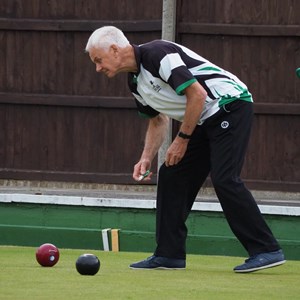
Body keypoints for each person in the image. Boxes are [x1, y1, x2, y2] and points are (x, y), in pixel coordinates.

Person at [85, 26, 286, 273]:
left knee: (224, 178)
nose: (97, 68)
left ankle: (266, 249)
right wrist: (146, 157)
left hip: (229, 105)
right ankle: (169, 255)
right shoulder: (135, 82)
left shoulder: (157, 54)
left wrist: (182, 139)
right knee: (171, 175)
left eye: (98, 60)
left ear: (114, 50)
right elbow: (157, 120)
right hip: (203, 118)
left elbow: (197, 95)